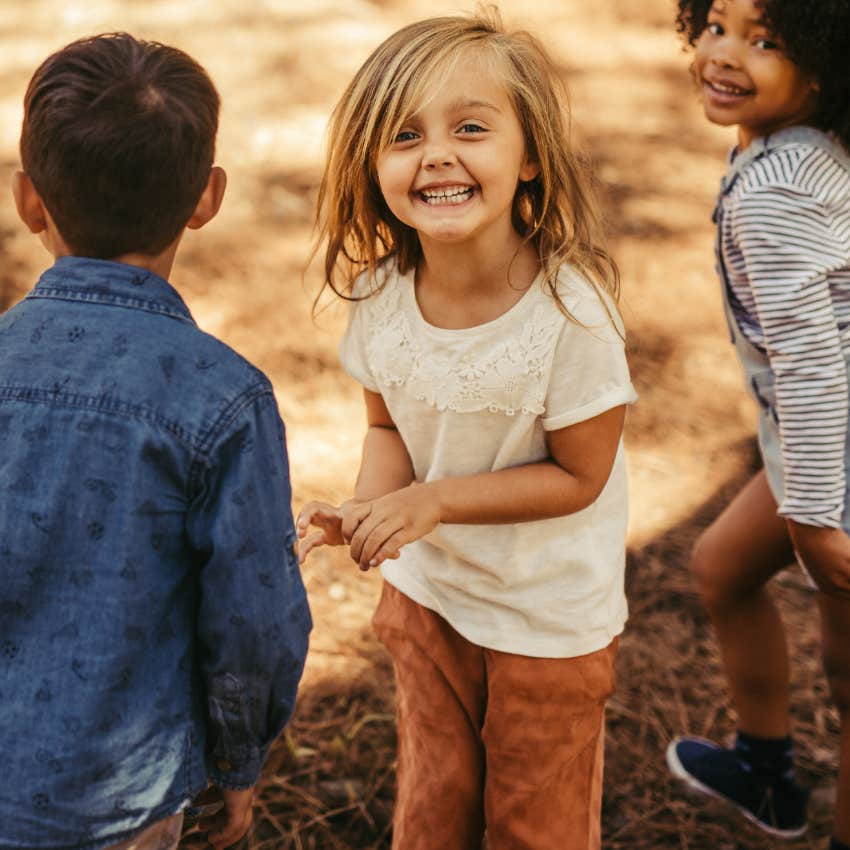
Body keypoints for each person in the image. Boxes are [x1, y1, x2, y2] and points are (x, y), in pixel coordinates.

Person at [297, 10, 637, 850]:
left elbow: (579, 476)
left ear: (529, 158)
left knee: (535, 824)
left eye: (471, 128)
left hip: (545, 621)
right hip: (430, 601)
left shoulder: (572, 315)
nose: (439, 154)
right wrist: (369, 507)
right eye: (405, 135)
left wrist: (434, 502)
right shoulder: (381, 294)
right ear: (372, 164)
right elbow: (386, 427)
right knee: (433, 806)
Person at [0, 33, 311, 850]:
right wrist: (239, 764)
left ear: (28, 200)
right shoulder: (225, 398)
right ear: (206, 198)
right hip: (120, 807)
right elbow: (255, 620)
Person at [664, 0, 850, 845]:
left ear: (823, 62)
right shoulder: (793, 153)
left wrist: (814, 518)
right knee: (721, 568)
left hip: (834, 469)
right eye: (718, 26)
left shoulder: (778, 188)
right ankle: (767, 773)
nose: (726, 54)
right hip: (816, 450)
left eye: (765, 40)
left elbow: (813, 369)